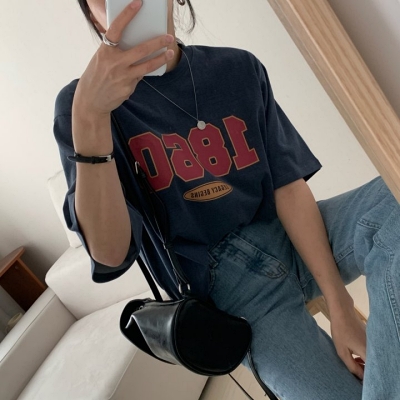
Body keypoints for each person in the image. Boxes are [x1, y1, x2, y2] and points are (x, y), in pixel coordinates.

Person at [54, 1, 400, 399]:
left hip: (290, 236)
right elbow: (111, 255)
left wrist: (340, 306)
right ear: (92, 15)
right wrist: (91, 116)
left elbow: (287, 187)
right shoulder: (80, 108)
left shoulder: (238, 69)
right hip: (227, 292)